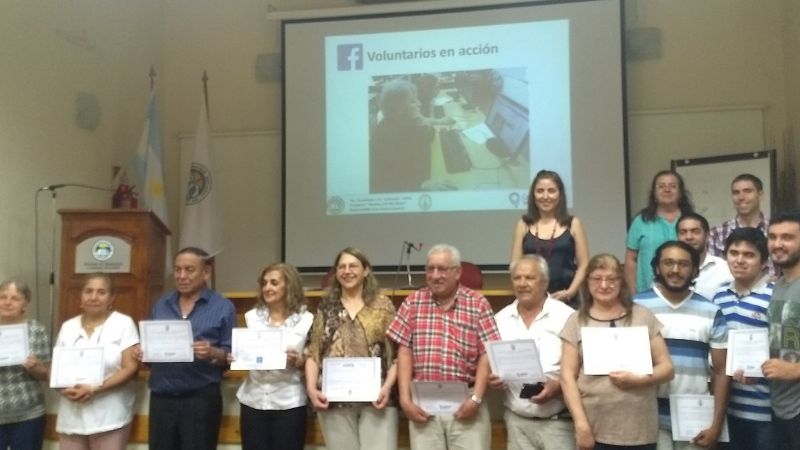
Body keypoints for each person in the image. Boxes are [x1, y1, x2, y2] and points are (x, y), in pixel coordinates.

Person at [387, 244, 500, 450]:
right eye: (430, 269)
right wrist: (405, 400)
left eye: (442, 269)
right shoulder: (412, 303)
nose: (435, 275)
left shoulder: (478, 303)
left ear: (457, 272)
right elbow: (404, 352)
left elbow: (487, 354)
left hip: (467, 404)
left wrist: (476, 399)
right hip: (423, 408)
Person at [560, 254, 674, 450]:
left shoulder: (642, 315)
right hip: (594, 427)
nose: (604, 285)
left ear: (621, 282)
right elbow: (566, 377)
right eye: (597, 278)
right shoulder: (575, 320)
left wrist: (641, 380)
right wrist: (581, 424)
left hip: (640, 428)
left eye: (612, 279)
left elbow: (667, 368)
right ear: (587, 282)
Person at [633, 241, 729, 450]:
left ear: (694, 269)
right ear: (657, 267)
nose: (675, 270)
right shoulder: (636, 306)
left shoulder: (711, 311)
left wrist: (716, 424)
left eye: (683, 264)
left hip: (696, 418)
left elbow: (722, 372)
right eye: (668, 263)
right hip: (649, 416)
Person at [306, 248, 398, 450]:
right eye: (342, 267)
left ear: (366, 271)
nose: (347, 271)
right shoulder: (326, 306)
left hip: (377, 399)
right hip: (334, 401)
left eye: (353, 266)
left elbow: (396, 356)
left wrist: (388, 387)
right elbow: (313, 352)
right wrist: (312, 389)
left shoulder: (383, 306)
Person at [146, 247, 236, 450]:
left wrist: (213, 353)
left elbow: (231, 355)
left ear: (206, 273)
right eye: (177, 270)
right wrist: (144, 352)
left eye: (189, 270)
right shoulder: (162, 304)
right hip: (162, 397)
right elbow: (151, 348)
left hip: (200, 399)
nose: (182, 276)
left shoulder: (223, 307)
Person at [490, 255, 576, 450]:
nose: (522, 284)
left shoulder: (566, 316)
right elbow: (492, 365)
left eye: (530, 278)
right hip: (517, 423)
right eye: (517, 278)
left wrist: (559, 385)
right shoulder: (500, 320)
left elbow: (583, 366)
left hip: (559, 423)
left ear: (545, 282)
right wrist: (493, 379)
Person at [54, 273, 140, 450]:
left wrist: (94, 389)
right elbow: (57, 369)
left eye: (101, 292)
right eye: (88, 291)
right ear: (81, 296)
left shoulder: (123, 324)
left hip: (109, 417)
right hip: (72, 416)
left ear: (112, 298)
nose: (94, 297)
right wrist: (66, 390)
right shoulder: (68, 327)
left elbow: (130, 367)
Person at [235, 263, 313, 450]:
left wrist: (299, 361)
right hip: (253, 401)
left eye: (274, 283)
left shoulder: (307, 319)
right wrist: (237, 357)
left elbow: (313, 358)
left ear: (289, 286)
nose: (268, 288)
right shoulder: (251, 318)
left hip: (289, 402)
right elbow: (246, 352)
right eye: (265, 283)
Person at [711, 228, 774, 450]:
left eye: (749, 255)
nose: (739, 260)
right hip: (726, 410)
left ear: (763, 261)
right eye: (733, 252)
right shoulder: (718, 297)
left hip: (765, 411)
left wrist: (761, 372)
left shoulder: (774, 297)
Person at [511, 170, 589, 305]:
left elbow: (584, 265)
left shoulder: (573, 223)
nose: (545, 196)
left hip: (567, 299)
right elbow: (515, 265)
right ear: (533, 195)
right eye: (540, 191)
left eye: (551, 191)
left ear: (560, 195)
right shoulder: (523, 224)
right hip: (531, 300)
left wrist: (570, 292)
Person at [369, 78, 454, 193]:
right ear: (398, 109)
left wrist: (436, 121)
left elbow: (429, 133)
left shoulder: (400, 122)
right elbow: (383, 184)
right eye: (413, 101)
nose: (419, 104)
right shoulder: (389, 136)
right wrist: (422, 186)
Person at [763, 212, 800, 449]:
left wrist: (796, 370)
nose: (778, 244)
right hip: (780, 406)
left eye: (787, 237)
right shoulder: (777, 286)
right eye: (773, 237)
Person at [0, 279, 50, 450]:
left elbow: (48, 374)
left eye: (15, 298)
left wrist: (36, 367)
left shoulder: (36, 330)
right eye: (3, 297)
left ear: (25, 303)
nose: (7, 302)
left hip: (28, 415)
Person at [626, 170, 694, 294]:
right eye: (661, 186)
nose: (667, 190)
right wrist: (633, 294)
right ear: (654, 193)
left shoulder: (691, 220)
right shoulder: (641, 221)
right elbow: (631, 259)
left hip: (687, 292)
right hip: (646, 293)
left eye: (672, 186)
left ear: (681, 193)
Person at [708, 174, 771, 263]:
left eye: (747, 191)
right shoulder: (716, 234)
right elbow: (715, 272)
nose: (741, 197)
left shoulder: (775, 230)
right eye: (736, 193)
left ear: (760, 195)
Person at [676, 212, 733, 299]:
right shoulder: (668, 271)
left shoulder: (725, 270)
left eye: (695, 231)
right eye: (683, 232)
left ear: (707, 236)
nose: (689, 237)